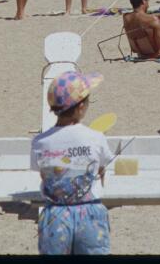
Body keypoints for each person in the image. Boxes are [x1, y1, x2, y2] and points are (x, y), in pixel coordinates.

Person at [31, 70, 113, 255]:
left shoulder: (40, 142)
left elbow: (43, 173)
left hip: (55, 215)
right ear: (81, 106)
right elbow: (102, 167)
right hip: (91, 213)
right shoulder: (95, 137)